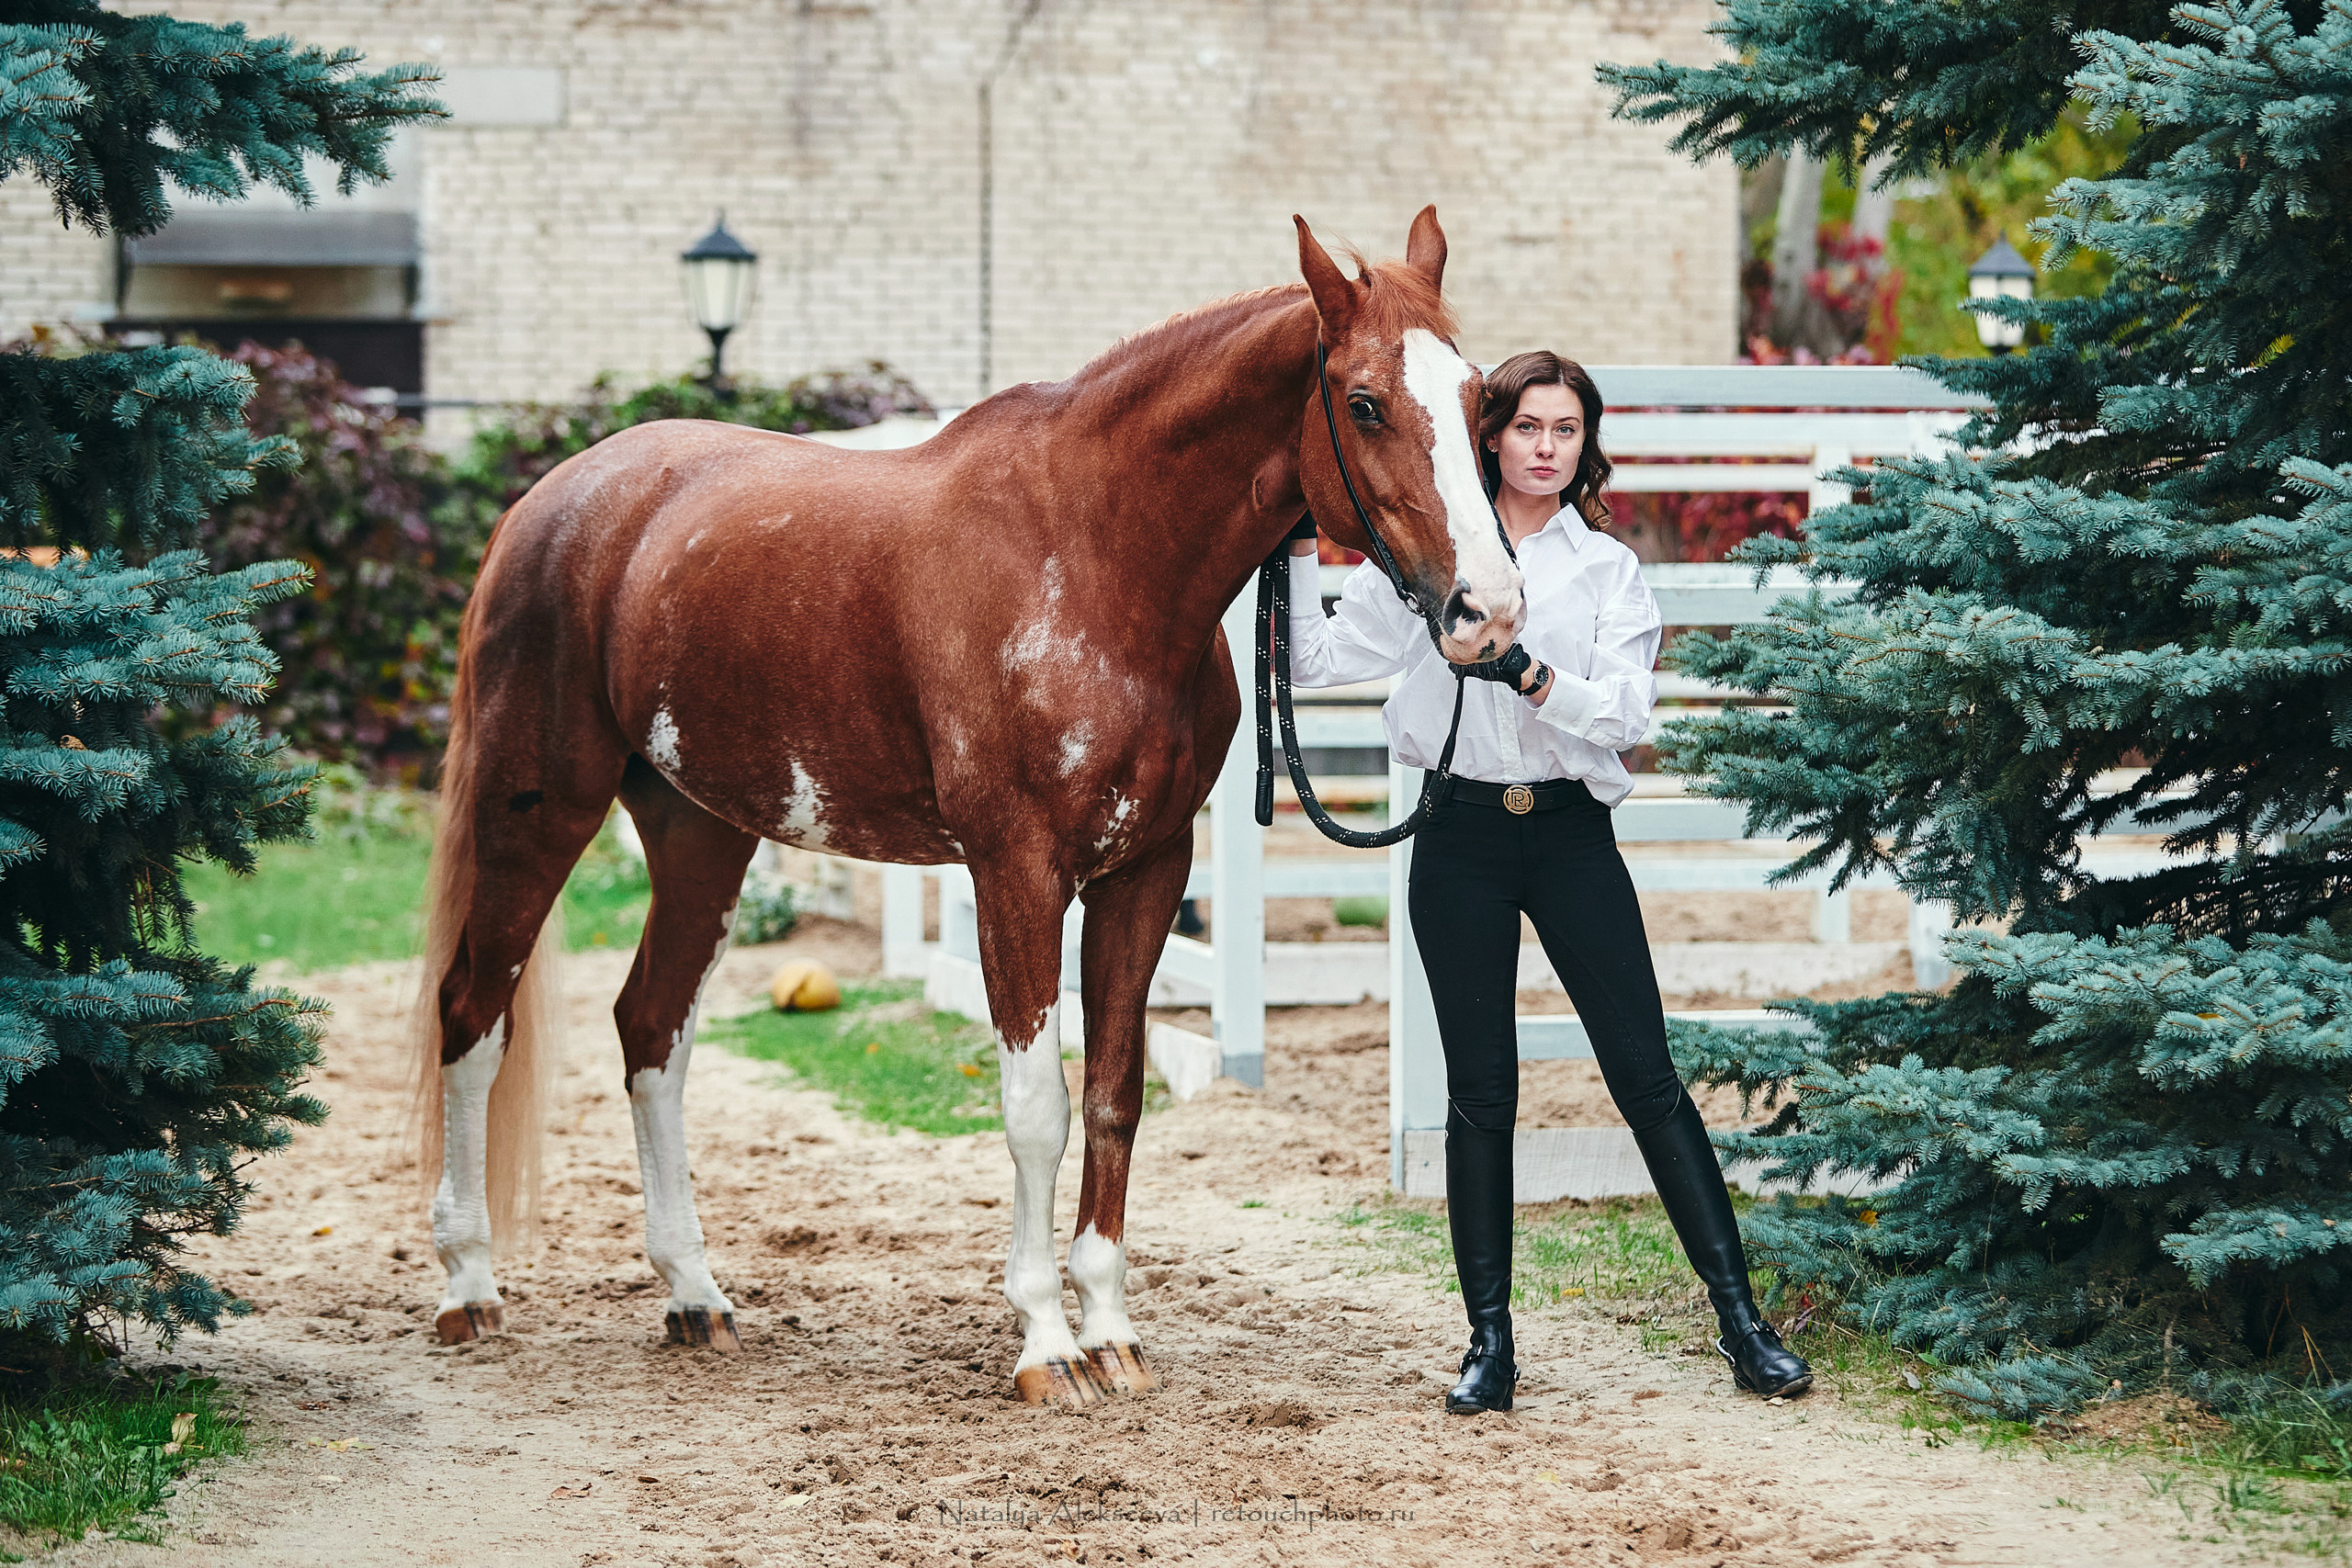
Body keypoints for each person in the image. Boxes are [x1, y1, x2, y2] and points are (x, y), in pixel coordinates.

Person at [1283, 349, 1812, 1414]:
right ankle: (1489, 1345)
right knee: (1480, 1098)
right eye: (1527, 426)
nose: (1545, 448)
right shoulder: (1424, 556)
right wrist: (1297, 543)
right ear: (1489, 436)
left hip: (1569, 839)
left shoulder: (1605, 569)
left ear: (1584, 446)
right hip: (1459, 837)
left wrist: (1524, 672)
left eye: (1565, 431)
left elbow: (1624, 716)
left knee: (1646, 1079)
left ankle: (1741, 1323)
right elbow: (1315, 662)